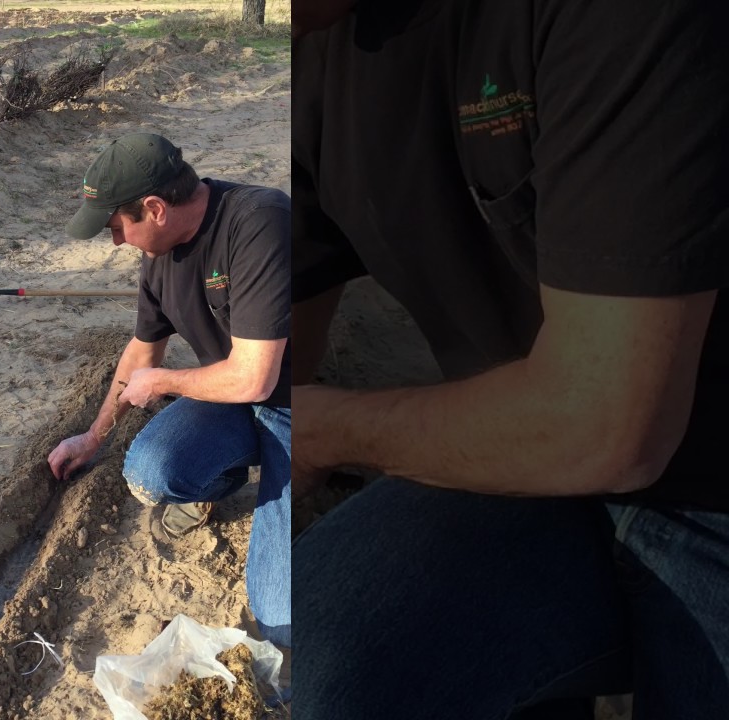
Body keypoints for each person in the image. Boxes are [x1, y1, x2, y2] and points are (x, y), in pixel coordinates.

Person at [293, 1, 729, 718]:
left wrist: (333, 430)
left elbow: (605, 425)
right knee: (319, 665)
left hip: (703, 487)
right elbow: (286, 350)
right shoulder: (315, 48)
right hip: (515, 461)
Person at [46, 132, 293, 648]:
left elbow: (257, 378)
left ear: (154, 208)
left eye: (117, 227)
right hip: (231, 397)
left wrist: (164, 382)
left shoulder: (260, 222)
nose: (115, 241)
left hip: (292, 405)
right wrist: (92, 438)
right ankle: (224, 481)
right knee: (151, 470)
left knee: (279, 618)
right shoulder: (158, 252)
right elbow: (142, 350)